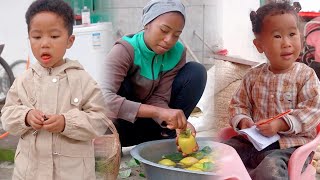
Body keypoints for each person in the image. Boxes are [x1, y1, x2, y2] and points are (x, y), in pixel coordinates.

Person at [1, 0, 111, 179]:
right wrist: (26, 116)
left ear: (70, 41)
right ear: (29, 39)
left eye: (54, 36)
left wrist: (67, 123)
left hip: (73, 173)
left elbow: (99, 120)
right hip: (29, 173)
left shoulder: (83, 81)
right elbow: (7, 116)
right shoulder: (23, 81)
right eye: (37, 37)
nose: (44, 43)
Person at [224, 2, 320, 179]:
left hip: (290, 147)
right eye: (277, 36)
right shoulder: (253, 76)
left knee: (270, 169)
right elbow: (238, 105)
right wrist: (244, 121)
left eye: (292, 34)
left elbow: (313, 111)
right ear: (259, 45)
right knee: (223, 153)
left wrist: (281, 124)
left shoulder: (306, 75)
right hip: (254, 143)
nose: (287, 43)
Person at [101, 0, 207, 148]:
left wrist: (176, 121)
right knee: (121, 86)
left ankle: (169, 134)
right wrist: (157, 112)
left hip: (151, 128)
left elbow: (159, 97)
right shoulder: (124, 50)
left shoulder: (176, 53)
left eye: (176, 35)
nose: (169, 40)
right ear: (146, 24)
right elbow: (103, 99)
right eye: (164, 30)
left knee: (196, 72)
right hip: (121, 129)